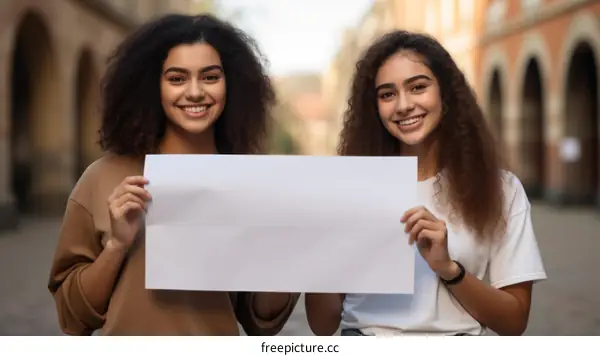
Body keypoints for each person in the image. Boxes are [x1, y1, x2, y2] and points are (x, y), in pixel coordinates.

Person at [48, 14, 298, 336]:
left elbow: (261, 321)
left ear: (231, 83)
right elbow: (73, 318)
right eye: (177, 79)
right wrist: (117, 245)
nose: (194, 93)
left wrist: (285, 249)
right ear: (153, 85)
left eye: (210, 77)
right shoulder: (101, 178)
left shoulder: (248, 183)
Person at [305, 30, 547, 336]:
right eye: (387, 94)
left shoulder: (500, 189)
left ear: (445, 92)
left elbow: (514, 322)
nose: (403, 105)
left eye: (417, 87)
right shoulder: (350, 190)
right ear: (374, 107)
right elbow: (321, 326)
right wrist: (320, 255)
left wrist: (448, 268)